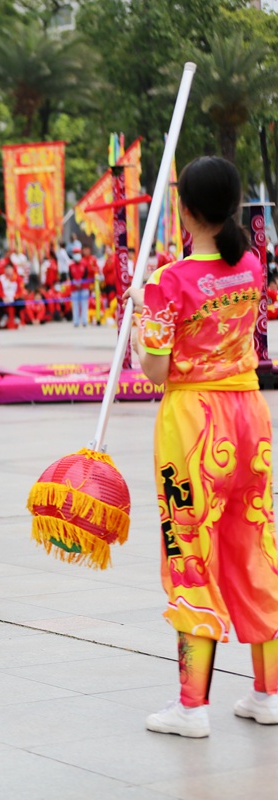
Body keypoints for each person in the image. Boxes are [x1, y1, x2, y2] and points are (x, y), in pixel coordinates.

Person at [128, 156, 278, 738]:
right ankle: (268, 693)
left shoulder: (171, 282)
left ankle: (192, 706)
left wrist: (143, 315)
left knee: (188, 549)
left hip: (193, 425)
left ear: (184, 209)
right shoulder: (252, 267)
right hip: (249, 418)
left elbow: (156, 372)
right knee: (254, 544)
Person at [70, 247, 96, 326]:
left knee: (84, 304)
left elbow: (86, 274)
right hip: (74, 288)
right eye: (75, 253)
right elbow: (70, 276)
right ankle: (76, 321)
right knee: (75, 305)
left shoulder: (84, 264)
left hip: (84, 287)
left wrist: (81, 282)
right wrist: (75, 282)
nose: (76, 255)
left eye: (77, 253)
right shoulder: (71, 265)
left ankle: (85, 321)